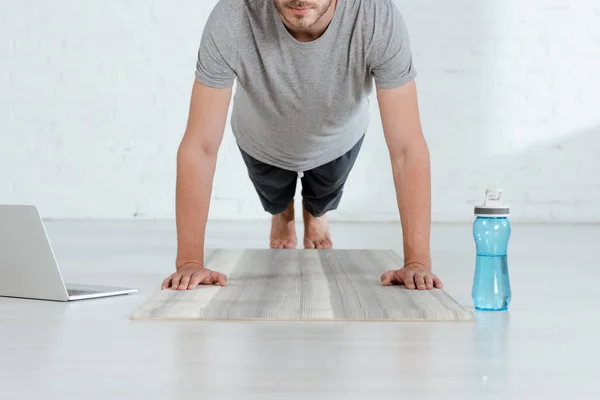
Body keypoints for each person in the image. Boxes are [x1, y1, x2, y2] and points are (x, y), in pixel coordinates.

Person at [161, 0, 444, 292]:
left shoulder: (375, 16)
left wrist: (417, 262)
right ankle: (282, 213)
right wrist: (188, 262)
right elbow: (200, 147)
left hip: (337, 138)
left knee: (323, 194)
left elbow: (407, 149)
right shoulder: (232, 15)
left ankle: (316, 213)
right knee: (275, 196)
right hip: (262, 139)